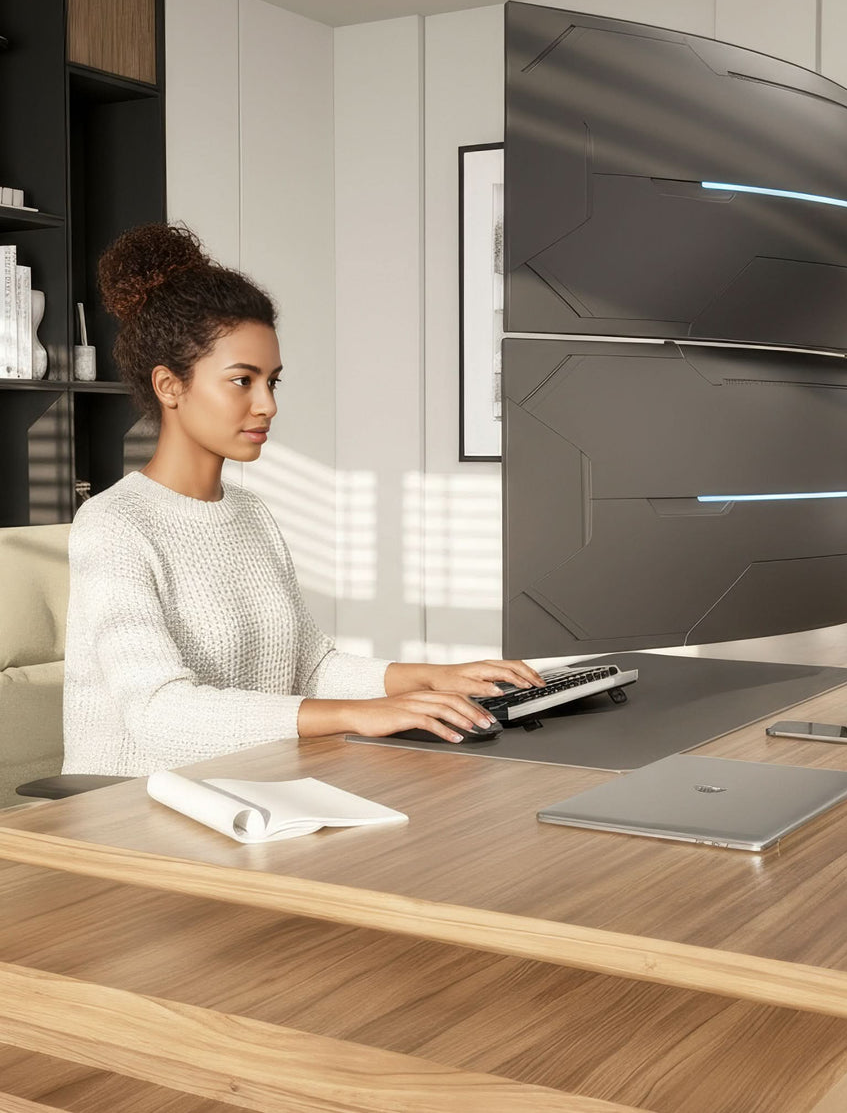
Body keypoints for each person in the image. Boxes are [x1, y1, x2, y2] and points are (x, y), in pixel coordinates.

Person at [61, 222, 542, 777]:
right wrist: (361, 715)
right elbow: (160, 715)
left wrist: (435, 678)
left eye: (273, 381)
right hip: (132, 811)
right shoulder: (114, 525)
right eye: (242, 380)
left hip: (255, 788)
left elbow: (310, 667)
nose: (266, 404)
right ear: (170, 386)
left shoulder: (249, 515)